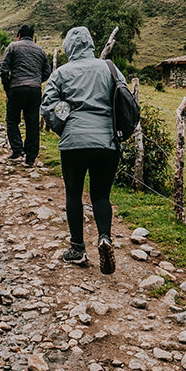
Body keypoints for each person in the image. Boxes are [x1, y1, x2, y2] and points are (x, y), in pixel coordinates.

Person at [40, 26, 125, 274]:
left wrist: (65, 124)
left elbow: (48, 107)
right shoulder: (109, 68)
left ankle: (78, 248)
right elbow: (123, 97)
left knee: (74, 194)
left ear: (68, 47)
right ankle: (105, 238)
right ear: (90, 44)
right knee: (101, 196)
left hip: (74, 143)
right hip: (107, 142)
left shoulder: (61, 73)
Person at [0, 24, 52, 166]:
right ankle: (30, 157)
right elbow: (47, 71)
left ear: (19, 35)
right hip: (34, 90)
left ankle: (17, 149)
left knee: (12, 119)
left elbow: (3, 68)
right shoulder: (40, 50)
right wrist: (36, 80)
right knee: (32, 122)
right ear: (32, 36)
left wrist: (7, 86)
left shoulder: (13, 46)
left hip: (17, 87)